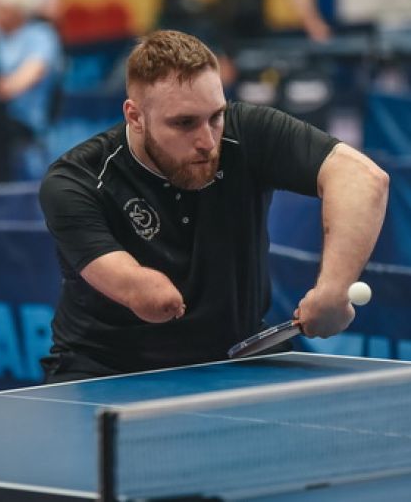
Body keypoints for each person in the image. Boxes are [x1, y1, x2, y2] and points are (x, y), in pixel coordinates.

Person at [38, 30, 388, 382]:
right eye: (184, 123)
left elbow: (363, 178)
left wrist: (333, 290)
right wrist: (146, 290)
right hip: (108, 370)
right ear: (135, 116)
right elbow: (139, 290)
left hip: (235, 358)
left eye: (216, 116)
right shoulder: (78, 179)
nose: (207, 141)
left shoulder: (246, 133)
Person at [0, 0, 63, 179]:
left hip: (27, 119)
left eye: (1, 9)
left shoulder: (42, 36)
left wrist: (3, 88)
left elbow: (34, 73)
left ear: (17, 11)